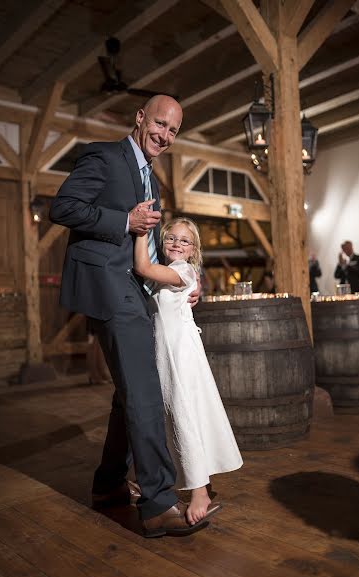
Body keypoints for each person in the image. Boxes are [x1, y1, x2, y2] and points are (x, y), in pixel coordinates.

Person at [50, 95, 215, 537]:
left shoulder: (154, 184)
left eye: (173, 131)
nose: (164, 135)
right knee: (144, 391)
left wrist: (186, 284)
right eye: (160, 124)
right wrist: (123, 220)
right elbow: (63, 207)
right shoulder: (103, 156)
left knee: (129, 395)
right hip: (107, 284)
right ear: (141, 118)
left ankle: (107, 487)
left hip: (137, 289)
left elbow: (156, 249)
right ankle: (159, 503)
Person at [134, 217, 243, 525]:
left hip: (179, 352)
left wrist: (140, 232)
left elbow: (143, 267)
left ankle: (199, 493)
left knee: (182, 414)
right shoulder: (171, 272)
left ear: (194, 250)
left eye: (185, 240)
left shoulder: (183, 270)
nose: (177, 244)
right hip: (170, 350)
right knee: (185, 414)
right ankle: (201, 483)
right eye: (171, 238)